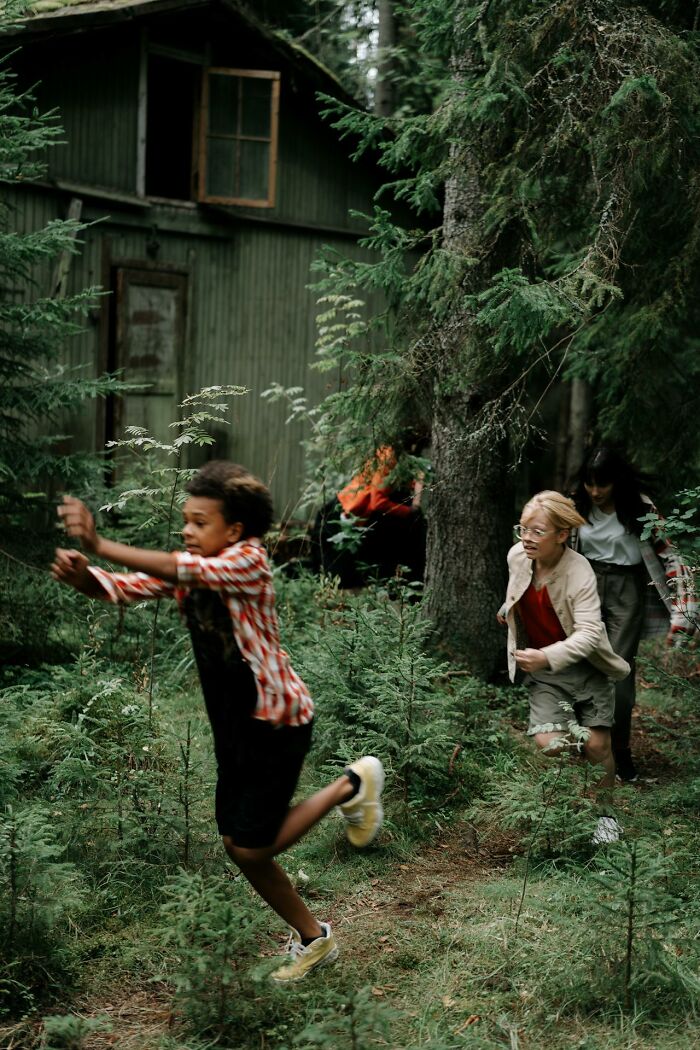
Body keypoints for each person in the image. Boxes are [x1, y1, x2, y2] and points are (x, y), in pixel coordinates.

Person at [51, 461, 385, 983]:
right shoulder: (193, 564)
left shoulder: (247, 560)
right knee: (239, 846)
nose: (187, 530)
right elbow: (124, 588)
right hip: (236, 728)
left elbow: (186, 571)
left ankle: (352, 783)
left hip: (277, 724)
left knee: (254, 845)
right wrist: (86, 578)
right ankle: (314, 938)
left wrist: (99, 543)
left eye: (200, 521)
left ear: (233, 530)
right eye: (186, 519)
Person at [498, 490, 631, 843]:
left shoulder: (578, 571)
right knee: (551, 743)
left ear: (562, 535)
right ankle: (570, 808)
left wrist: (546, 655)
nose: (527, 538)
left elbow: (589, 634)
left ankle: (605, 815)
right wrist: (507, 611)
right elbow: (518, 592)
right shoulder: (517, 556)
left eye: (537, 531)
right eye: (523, 528)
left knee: (598, 746)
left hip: (588, 668)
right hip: (547, 675)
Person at [571, 447, 697, 782]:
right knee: (582, 663)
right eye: (589, 483)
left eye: (603, 484)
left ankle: (621, 752)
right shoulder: (576, 505)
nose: (595, 492)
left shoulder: (639, 506)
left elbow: (670, 554)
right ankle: (587, 745)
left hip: (627, 591)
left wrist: (685, 608)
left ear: (617, 481)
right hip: (584, 585)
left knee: (618, 671)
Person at [311, 444, 426, 588]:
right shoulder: (388, 455)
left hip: (359, 517)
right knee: (340, 574)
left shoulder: (403, 458)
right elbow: (377, 502)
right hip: (345, 512)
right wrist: (410, 511)